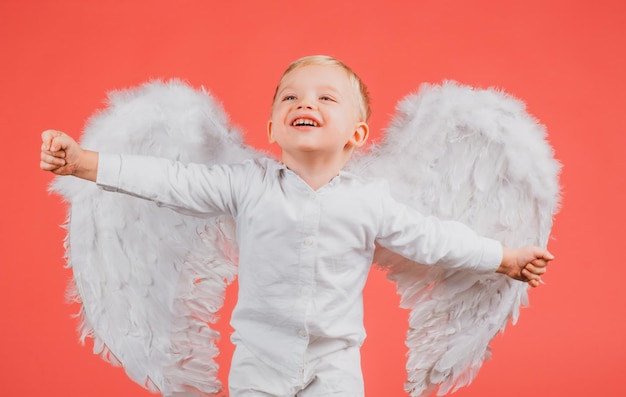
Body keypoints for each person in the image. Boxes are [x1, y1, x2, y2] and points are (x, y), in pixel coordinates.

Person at [40, 55, 553, 397]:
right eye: (290, 97)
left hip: (335, 368)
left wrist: (503, 258)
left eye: (326, 98)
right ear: (271, 128)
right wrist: (86, 163)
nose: (305, 103)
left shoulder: (371, 202)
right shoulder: (245, 185)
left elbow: (435, 239)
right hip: (258, 365)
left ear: (357, 133)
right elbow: (169, 179)